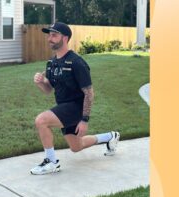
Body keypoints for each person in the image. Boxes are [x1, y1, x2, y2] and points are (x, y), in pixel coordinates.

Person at [30, 22, 120, 175]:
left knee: (41, 120)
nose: (49, 38)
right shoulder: (51, 63)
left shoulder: (77, 62)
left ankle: (51, 162)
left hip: (77, 107)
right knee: (76, 147)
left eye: (54, 35)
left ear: (65, 38)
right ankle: (111, 136)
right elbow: (48, 90)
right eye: (49, 35)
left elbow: (89, 93)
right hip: (63, 106)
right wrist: (41, 83)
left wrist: (84, 120)